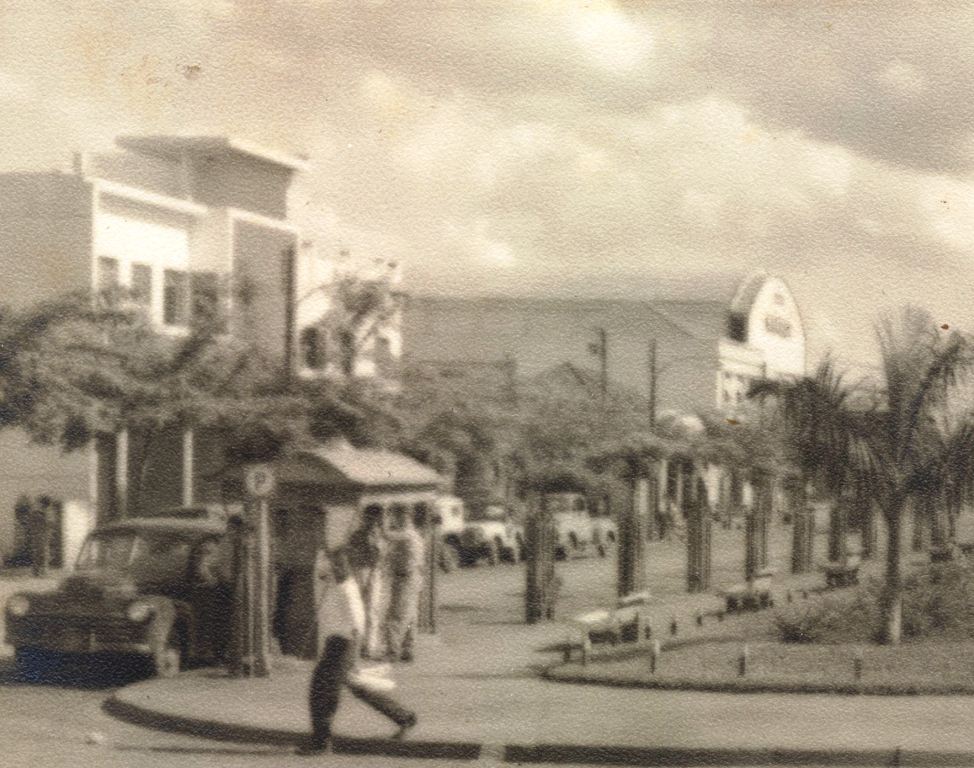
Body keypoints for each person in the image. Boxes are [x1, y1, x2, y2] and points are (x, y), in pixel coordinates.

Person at [298, 546, 416, 756]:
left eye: (341, 564)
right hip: (335, 642)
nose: (336, 567)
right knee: (358, 687)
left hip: (343, 644)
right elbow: (319, 570)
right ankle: (404, 718)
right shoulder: (332, 582)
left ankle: (321, 742)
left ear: (349, 567)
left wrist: (351, 654)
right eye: (334, 563)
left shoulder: (347, 588)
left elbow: (358, 624)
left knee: (322, 690)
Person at [383, 506, 426, 663]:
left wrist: (384, 518)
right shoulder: (414, 534)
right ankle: (408, 649)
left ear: (405, 516)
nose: (397, 519)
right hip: (412, 577)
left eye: (398, 516)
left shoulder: (407, 533)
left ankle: (392, 651)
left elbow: (386, 535)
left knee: (396, 615)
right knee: (410, 616)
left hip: (405, 578)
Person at [347, 507, 388, 660]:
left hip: (374, 572)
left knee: (371, 610)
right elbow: (351, 553)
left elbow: (382, 556)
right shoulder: (357, 534)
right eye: (369, 518)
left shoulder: (380, 536)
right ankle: (357, 644)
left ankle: (369, 646)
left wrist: (376, 543)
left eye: (375, 518)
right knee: (358, 608)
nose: (372, 521)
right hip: (360, 570)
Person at [27, 497, 51, 577]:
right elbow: (33, 524)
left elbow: (47, 525)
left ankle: (40, 572)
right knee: (39, 554)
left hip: (41, 536)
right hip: (39, 536)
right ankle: (38, 572)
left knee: (41, 554)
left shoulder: (42, 513)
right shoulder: (37, 514)